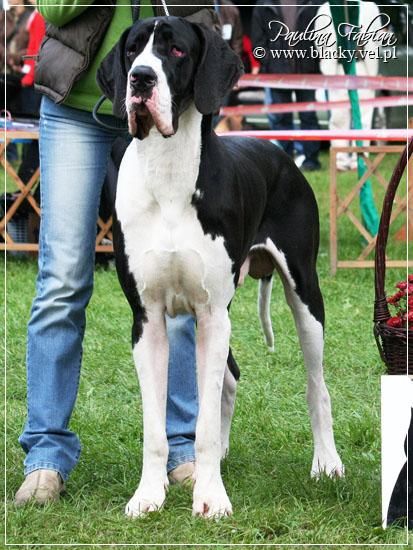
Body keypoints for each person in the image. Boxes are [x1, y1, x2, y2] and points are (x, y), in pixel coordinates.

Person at [14, 0, 217, 506]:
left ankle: (181, 446)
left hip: (172, 106)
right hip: (75, 107)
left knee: (180, 278)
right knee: (62, 280)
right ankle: (46, 455)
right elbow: (55, 8)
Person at [251, 0, 321, 171]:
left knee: (309, 117)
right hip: (277, 73)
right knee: (281, 119)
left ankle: (311, 161)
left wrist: (314, 62)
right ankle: (285, 161)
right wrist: (270, 63)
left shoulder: (312, 3)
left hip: (306, 71)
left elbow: (320, 35)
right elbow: (257, 43)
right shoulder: (264, 5)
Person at [314, 1, 382, 171]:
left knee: (364, 116)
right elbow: (319, 40)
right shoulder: (325, 8)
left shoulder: (370, 7)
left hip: (362, 67)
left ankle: (360, 159)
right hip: (337, 68)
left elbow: (377, 40)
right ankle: (340, 160)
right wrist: (327, 65)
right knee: (338, 116)